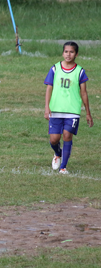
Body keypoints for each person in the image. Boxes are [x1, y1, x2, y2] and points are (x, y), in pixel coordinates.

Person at [44, 41, 93, 174]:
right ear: (62, 53)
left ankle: (63, 167)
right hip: (56, 109)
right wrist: (46, 108)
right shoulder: (55, 68)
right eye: (66, 51)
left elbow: (83, 93)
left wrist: (88, 113)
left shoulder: (80, 71)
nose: (68, 54)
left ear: (76, 54)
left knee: (67, 135)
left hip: (72, 111)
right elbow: (49, 88)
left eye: (71, 52)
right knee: (54, 139)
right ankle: (57, 154)